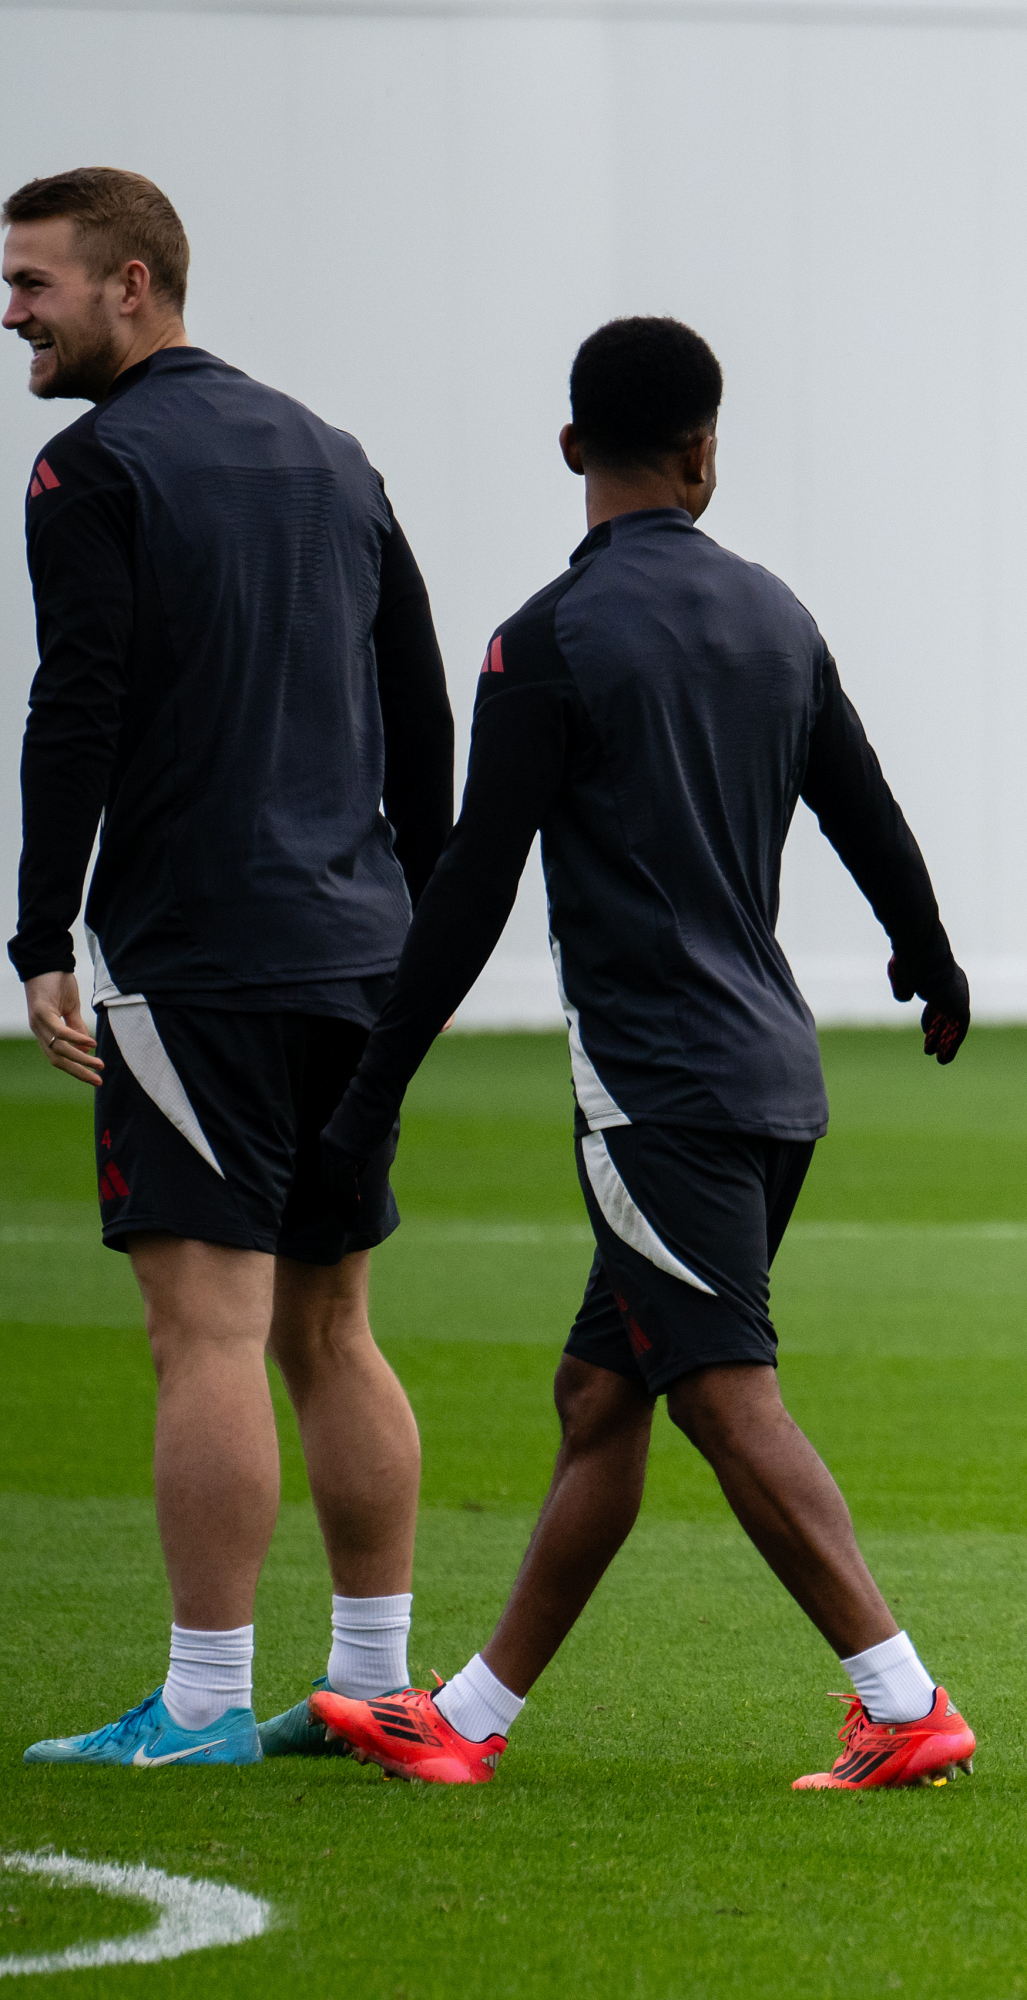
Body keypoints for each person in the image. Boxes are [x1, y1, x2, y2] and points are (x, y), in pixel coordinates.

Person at [303, 316, 979, 1790]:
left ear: (570, 453)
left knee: (726, 1395)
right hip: (770, 1079)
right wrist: (927, 960)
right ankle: (468, 1719)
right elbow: (864, 811)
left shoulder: (543, 642)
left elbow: (472, 886)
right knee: (601, 1393)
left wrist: (367, 1099)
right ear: (703, 453)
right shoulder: (777, 618)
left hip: (654, 1092)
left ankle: (904, 1699)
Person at [10, 168, 450, 1770]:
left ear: (133, 284)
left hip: (203, 957)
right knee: (333, 1326)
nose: (12, 314)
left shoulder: (94, 466)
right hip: (361, 950)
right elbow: (421, 706)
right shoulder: (336, 456)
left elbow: (81, 705)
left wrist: (41, 929)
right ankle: (375, 1684)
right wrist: (411, 904)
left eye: (34, 283)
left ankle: (199, 1703)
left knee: (202, 1332)